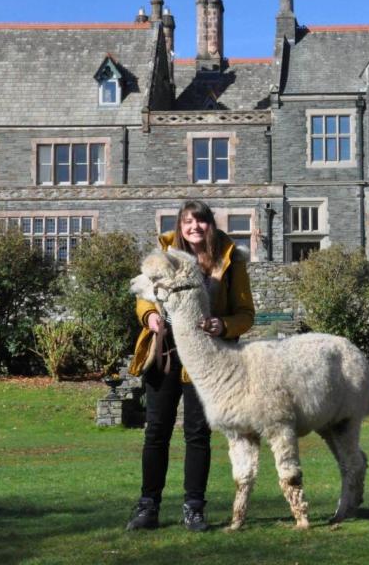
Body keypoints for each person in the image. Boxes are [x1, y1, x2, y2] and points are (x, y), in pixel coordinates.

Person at [125, 200, 255, 531]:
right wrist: (150, 315)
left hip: (207, 359)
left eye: (200, 221)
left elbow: (245, 314)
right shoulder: (164, 252)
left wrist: (223, 326)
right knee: (156, 431)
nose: (194, 227)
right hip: (165, 352)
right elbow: (144, 295)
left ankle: (193, 507)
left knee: (197, 433)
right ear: (180, 226)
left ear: (210, 224)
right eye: (187, 222)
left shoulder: (230, 260)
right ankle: (147, 506)